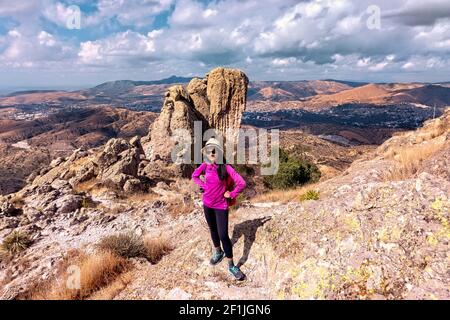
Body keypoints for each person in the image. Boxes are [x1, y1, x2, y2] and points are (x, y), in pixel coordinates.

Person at [191, 137, 247, 280]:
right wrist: (204, 186)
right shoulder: (205, 165)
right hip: (207, 204)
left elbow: (241, 183)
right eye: (209, 151)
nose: (211, 154)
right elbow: (195, 175)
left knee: (223, 235)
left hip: (220, 206)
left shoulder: (226, 167)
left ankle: (231, 265)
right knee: (212, 229)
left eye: (214, 151)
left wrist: (231, 194)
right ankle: (218, 252)